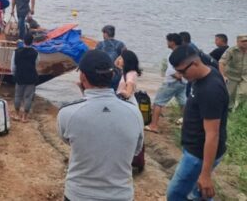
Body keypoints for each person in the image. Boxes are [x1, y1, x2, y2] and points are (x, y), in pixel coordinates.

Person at [57, 50, 143, 201]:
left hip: (78, 195)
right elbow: (136, 149)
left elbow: (68, 140)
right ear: (112, 75)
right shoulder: (134, 113)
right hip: (120, 195)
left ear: (82, 76)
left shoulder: (67, 113)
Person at [166, 45, 229, 200]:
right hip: (195, 150)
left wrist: (206, 174)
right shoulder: (204, 74)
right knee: (199, 193)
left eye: (182, 71)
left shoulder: (210, 90)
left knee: (175, 194)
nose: (180, 75)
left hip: (198, 155)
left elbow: (213, 134)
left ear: (195, 63)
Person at [145, 33, 186, 133]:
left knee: (158, 102)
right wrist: (183, 77)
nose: (167, 43)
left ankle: (153, 125)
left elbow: (172, 71)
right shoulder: (185, 52)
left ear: (172, 42)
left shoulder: (173, 54)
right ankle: (186, 126)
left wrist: (178, 76)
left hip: (172, 82)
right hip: (184, 82)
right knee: (184, 103)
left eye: (168, 41)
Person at [11, 33, 39, 122]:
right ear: (32, 42)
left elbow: (13, 66)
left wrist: (14, 74)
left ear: (23, 41)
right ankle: (24, 117)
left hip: (19, 76)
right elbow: (37, 63)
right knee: (28, 97)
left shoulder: (16, 52)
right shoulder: (35, 53)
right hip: (31, 77)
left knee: (18, 96)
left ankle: (17, 115)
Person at [219, 34, 247, 110]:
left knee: (244, 93)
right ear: (237, 42)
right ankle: (228, 110)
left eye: (246, 41)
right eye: (243, 41)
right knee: (229, 95)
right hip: (232, 76)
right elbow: (221, 63)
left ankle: (239, 109)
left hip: (245, 76)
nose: (245, 43)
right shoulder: (231, 50)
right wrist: (223, 76)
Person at [95, 25, 126, 91]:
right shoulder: (121, 44)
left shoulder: (100, 44)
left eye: (103, 33)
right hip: (116, 74)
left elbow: (95, 59)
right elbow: (126, 58)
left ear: (105, 33)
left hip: (101, 74)